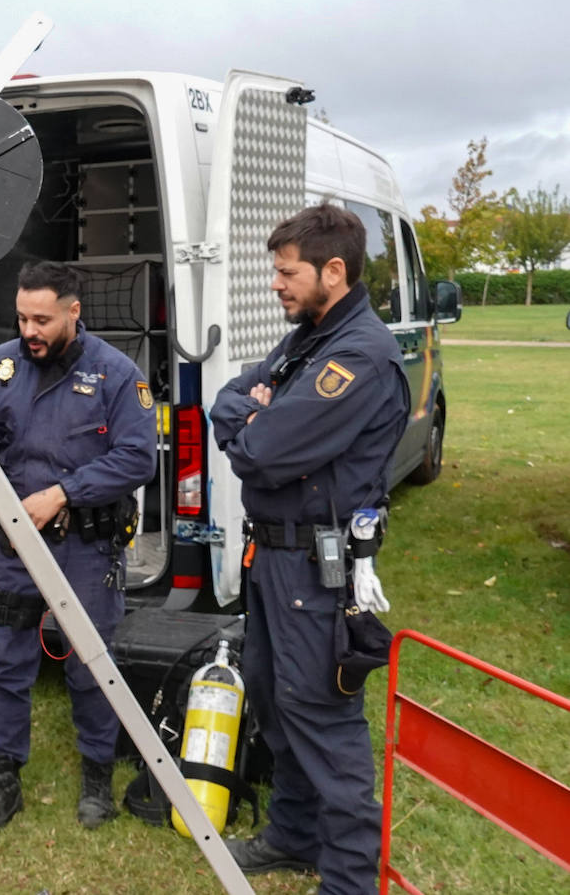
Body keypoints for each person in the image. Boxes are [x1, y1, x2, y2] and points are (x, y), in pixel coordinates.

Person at [209, 204, 408, 894]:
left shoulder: (358, 353)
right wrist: (252, 411)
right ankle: (294, 835)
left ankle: (352, 879)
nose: (275, 284)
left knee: (322, 714)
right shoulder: (308, 336)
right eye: (275, 270)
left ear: (334, 270)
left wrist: (255, 420)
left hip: (316, 569)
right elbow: (228, 403)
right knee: (274, 700)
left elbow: (259, 448)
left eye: (286, 272)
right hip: (274, 558)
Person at [0, 260, 157, 841]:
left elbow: (137, 458)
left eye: (42, 319)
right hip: (14, 548)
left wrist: (63, 493)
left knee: (91, 663)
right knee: (4, 662)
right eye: (21, 318)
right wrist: (3, 507)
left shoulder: (117, 375)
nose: (29, 331)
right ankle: (3, 777)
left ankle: (97, 773)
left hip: (87, 546)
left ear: (74, 311)